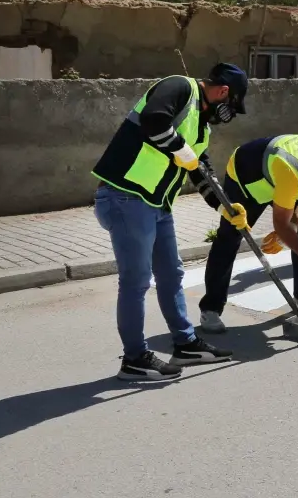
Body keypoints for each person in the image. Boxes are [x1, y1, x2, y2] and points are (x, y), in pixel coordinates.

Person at [91, 63, 250, 381]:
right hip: (126, 196)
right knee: (135, 283)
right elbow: (154, 121)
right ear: (223, 92)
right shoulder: (179, 87)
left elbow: (198, 168)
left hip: (157, 204)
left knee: (171, 274)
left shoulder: (202, 126)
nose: (227, 113)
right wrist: (182, 150)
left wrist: (224, 207)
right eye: (231, 106)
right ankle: (135, 359)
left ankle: (186, 343)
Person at [198, 134, 298, 334]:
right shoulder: (291, 171)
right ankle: (210, 308)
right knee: (230, 236)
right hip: (247, 179)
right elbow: (281, 224)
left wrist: (294, 229)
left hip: (280, 178)